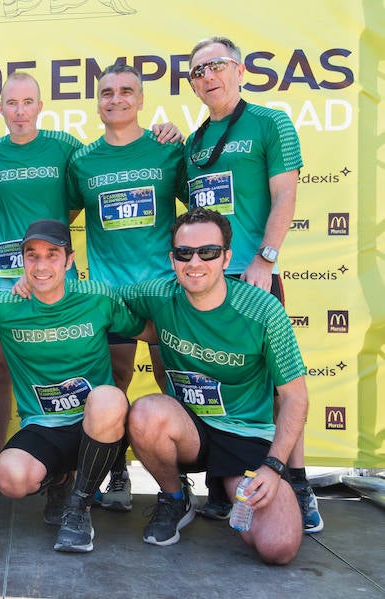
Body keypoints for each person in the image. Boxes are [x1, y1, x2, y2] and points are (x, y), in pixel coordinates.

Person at [0, 70, 181, 497]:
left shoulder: (70, 150)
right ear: (0, 108)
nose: (20, 110)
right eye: (12, 102)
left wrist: (47, 259)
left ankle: (155, 472)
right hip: (9, 276)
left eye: (28, 102)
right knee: (0, 366)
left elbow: (67, 206)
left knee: (157, 372)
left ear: (41, 106)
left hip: (81, 276)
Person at [184, 35, 320, 532]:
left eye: (215, 65)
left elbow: (285, 194)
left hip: (254, 277)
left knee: (282, 386)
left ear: (239, 70)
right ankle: (219, 483)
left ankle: (299, 484)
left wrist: (266, 257)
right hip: (206, 279)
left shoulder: (270, 122)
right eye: (197, 71)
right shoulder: (193, 143)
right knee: (215, 379)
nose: (207, 76)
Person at [121, 207, 306, 564]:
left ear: (226, 258)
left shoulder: (263, 310)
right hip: (190, 431)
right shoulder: (159, 294)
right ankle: (176, 499)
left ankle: (226, 485)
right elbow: (99, 299)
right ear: (172, 259)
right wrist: (33, 282)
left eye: (208, 252)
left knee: (278, 547)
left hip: (245, 436)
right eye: (183, 253)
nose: (195, 262)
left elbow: (295, 397)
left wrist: (274, 466)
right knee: (145, 412)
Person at [0, 219, 144, 553]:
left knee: (108, 399)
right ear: (22, 261)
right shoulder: (6, 306)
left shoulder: (98, 298)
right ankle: (61, 482)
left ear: (69, 260)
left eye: (52, 255)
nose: (42, 265)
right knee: (11, 477)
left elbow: (143, 328)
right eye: (32, 256)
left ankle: (80, 507)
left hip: (97, 425)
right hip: (44, 426)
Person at [66, 64, 184, 511]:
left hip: (163, 292)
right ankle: (114, 468)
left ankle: (179, 483)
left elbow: (207, 208)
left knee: (171, 383)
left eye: (126, 91)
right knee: (111, 385)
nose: (116, 99)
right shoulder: (83, 160)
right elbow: (61, 214)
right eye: (107, 92)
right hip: (110, 295)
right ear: (97, 103)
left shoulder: (168, 149)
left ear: (141, 100)